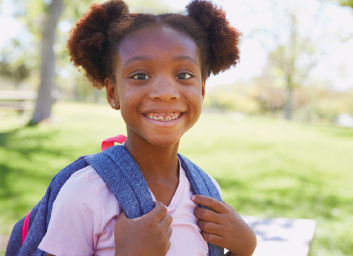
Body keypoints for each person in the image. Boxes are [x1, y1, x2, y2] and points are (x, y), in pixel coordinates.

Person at [38, 0, 257, 255]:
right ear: (112, 93)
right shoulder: (86, 194)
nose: (165, 93)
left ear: (202, 89)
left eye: (184, 75)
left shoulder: (207, 192)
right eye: (140, 75)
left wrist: (244, 248)